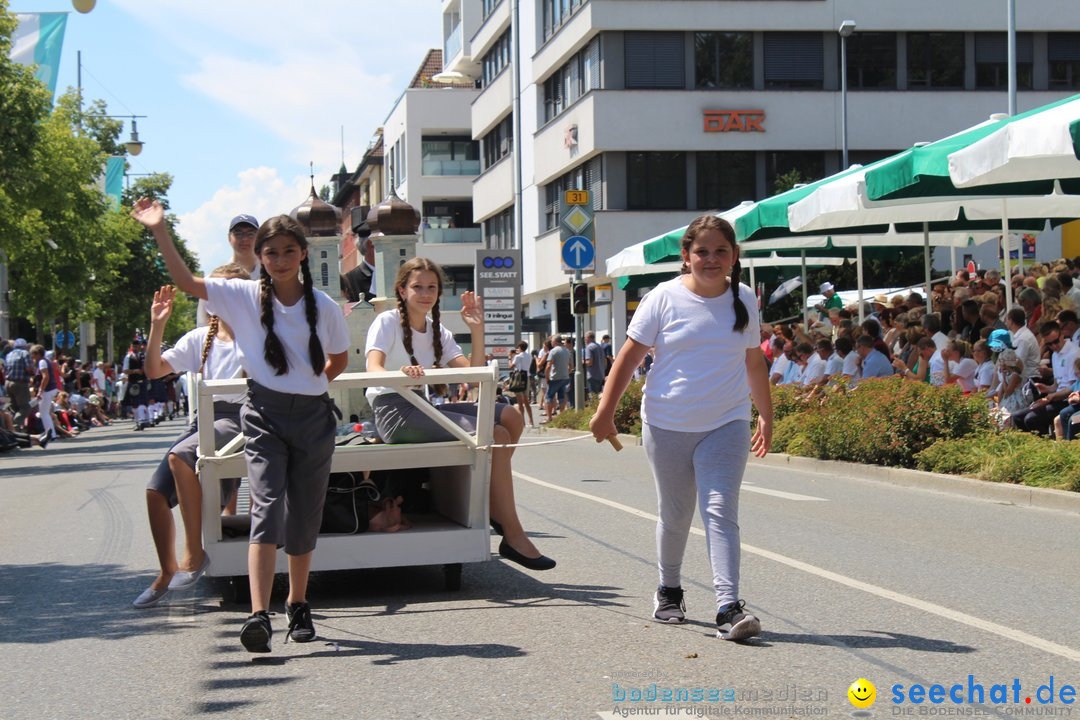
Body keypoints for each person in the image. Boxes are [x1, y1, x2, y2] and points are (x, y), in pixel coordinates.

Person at [133, 199, 349, 654]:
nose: (280, 260)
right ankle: (258, 615)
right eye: (271, 253)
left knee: (304, 515)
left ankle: (297, 602)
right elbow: (185, 281)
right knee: (266, 510)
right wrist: (160, 230)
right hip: (264, 415)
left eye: (289, 251)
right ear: (261, 259)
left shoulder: (323, 305)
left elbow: (340, 359)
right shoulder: (245, 295)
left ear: (303, 254)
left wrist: (309, 385)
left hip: (312, 417)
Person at [589, 214, 772, 642]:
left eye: (720, 251)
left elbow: (753, 362)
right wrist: (605, 411)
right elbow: (629, 358)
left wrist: (765, 414)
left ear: (734, 257)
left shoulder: (744, 297)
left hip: (726, 423)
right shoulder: (662, 298)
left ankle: (728, 606)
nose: (711, 259)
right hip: (667, 422)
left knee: (720, 511)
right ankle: (668, 590)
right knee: (676, 515)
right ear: (686, 256)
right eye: (702, 251)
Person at [364, 257, 554, 572]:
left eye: (432, 287)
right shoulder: (387, 322)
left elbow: (474, 375)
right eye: (417, 287)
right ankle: (512, 531)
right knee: (494, 434)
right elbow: (373, 368)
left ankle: (494, 506)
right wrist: (400, 372)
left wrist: (476, 330)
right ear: (402, 289)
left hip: (423, 408)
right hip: (394, 413)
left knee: (511, 419)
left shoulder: (437, 330)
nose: (425, 293)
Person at [132, 266, 249, 609]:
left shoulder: (257, 335)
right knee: (155, 492)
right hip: (204, 420)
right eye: (214, 292)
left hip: (239, 418)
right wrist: (157, 326)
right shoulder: (201, 338)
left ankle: (195, 554)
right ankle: (166, 574)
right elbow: (154, 371)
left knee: (180, 455)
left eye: (229, 291)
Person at [29, 344, 61, 445]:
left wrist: (40, 390)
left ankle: (51, 434)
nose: (32, 357)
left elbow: (45, 377)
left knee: (44, 413)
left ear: (37, 353)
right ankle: (52, 433)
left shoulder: (42, 362)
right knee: (45, 412)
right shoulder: (46, 361)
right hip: (50, 389)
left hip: (46, 390)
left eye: (33, 354)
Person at [3, 338, 34, 427]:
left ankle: (14, 429)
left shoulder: (9, 354)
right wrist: (33, 372)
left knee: (13, 407)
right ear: (25, 346)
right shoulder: (25, 353)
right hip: (20, 383)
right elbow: (29, 368)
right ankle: (15, 424)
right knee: (26, 407)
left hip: (8, 383)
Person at [122, 336, 151, 430]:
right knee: (134, 402)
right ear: (132, 346)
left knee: (143, 401)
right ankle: (138, 421)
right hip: (133, 382)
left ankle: (143, 420)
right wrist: (135, 371)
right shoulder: (128, 357)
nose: (136, 347)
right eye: (134, 346)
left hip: (143, 380)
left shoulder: (144, 355)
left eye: (137, 345)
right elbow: (125, 370)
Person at [509, 340, 535, 426]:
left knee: (520, 402)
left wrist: (510, 357)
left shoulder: (517, 357)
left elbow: (511, 366)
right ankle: (531, 420)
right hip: (526, 377)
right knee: (526, 401)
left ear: (520, 347)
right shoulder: (529, 356)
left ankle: (522, 421)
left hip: (519, 378)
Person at [545, 335, 571, 419]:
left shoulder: (553, 351)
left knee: (548, 397)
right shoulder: (567, 351)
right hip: (564, 377)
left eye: (552, 341)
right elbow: (571, 366)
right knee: (561, 397)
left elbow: (548, 366)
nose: (551, 343)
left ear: (555, 341)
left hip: (555, 378)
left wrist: (547, 377)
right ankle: (562, 417)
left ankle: (549, 418)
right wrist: (567, 373)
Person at [583, 330, 605, 398]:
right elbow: (605, 361)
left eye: (585, 338)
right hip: (600, 375)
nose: (584, 340)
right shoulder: (599, 346)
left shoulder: (589, 347)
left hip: (592, 375)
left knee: (593, 397)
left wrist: (582, 362)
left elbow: (589, 362)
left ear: (588, 338)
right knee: (598, 396)